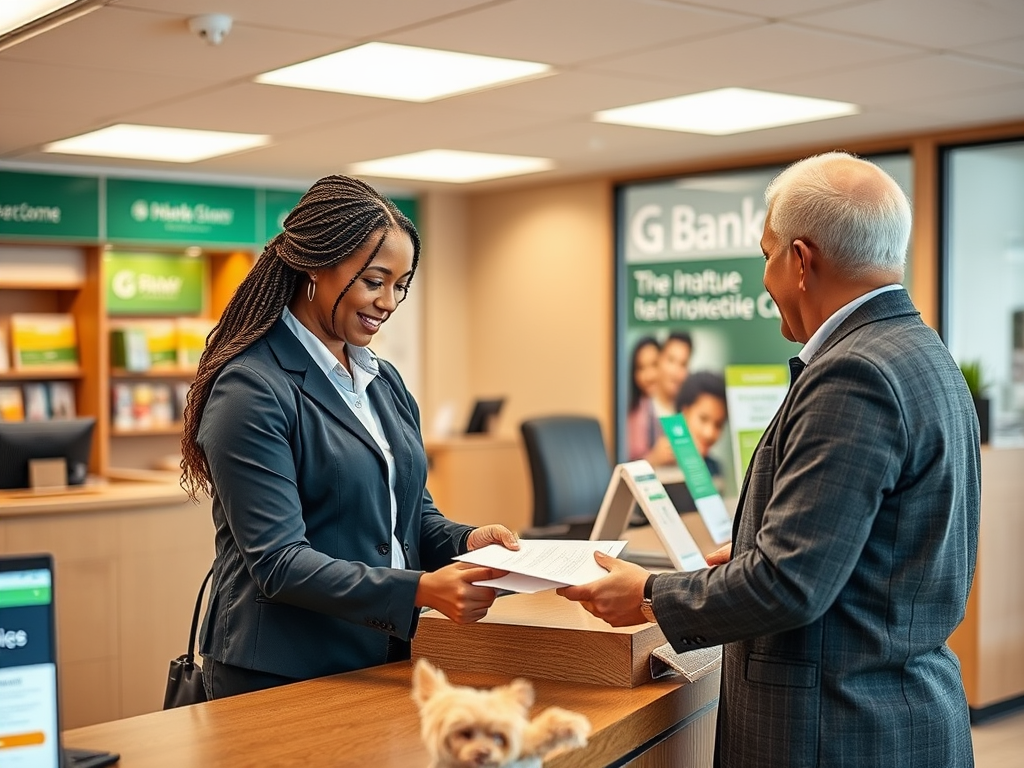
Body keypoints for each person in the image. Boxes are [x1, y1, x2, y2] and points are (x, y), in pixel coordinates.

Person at [558, 152, 980, 767]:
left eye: (765, 255)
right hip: (897, 716)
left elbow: (789, 585)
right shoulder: (922, 353)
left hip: (835, 733)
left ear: (801, 261)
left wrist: (650, 593)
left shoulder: (853, 374)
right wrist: (764, 540)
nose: (765, 280)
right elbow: (884, 549)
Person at [180, 175, 517, 699]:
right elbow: (278, 561)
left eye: (401, 285)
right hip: (281, 673)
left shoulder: (381, 380)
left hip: (381, 658)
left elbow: (409, 515)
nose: (388, 301)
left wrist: (466, 542)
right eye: (374, 280)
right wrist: (420, 590)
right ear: (316, 264)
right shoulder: (250, 387)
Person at [625, 336, 660, 460]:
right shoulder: (633, 413)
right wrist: (655, 458)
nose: (649, 376)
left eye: (654, 364)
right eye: (641, 368)